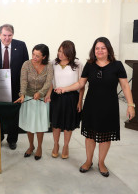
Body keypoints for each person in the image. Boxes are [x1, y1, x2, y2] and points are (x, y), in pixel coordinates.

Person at [55, 37, 135, 177]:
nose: (99, 50)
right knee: (90, 135)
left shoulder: (117, 65)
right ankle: (88, 161)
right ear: (94, 50)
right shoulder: (90, 65)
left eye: (103, 48)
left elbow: (125, 85)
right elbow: (80, 84)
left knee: (105, 136)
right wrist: (64, 89)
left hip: (109, 106)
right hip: (91, 105)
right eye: (97, 48)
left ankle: (102, 162)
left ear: (108, 49)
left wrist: (130, 105)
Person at [0, 24, 29, 150]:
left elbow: (26, 68)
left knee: (13, 114)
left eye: (9, 36)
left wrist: (23, 89)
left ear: (13, 35)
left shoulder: (21, 45)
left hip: (15, 87)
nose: (7, 38)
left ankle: (12, 140)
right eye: (4, 35)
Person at [46, 40, 84, 159]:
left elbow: (81, 84)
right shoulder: (53, 63)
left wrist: (80, 101)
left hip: (72, 97)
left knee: (68, 124)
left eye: (63, 52)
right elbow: (51, 81)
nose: (60, 54)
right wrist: (48, 94)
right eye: (59, 51)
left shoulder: (78, 64)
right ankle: (56, 144)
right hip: (56, 96)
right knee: (55, 123)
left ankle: (66, 146)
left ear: (70, 53)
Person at [15, 44, 53, 160]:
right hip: (28, 98)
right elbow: (23, 81)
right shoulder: (26, 64)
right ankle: (31, 146)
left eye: (37, 56)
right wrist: (22, 95)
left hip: (41, 100)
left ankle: (39, 147)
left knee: (40, 125)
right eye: (33, 54)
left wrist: (41, 93)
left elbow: (48, 82)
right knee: (29, 125)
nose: (34, 57)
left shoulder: (49, 66)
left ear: (44, 57)